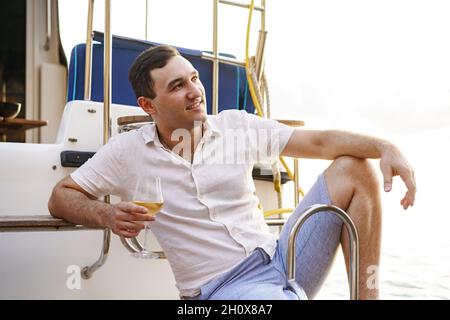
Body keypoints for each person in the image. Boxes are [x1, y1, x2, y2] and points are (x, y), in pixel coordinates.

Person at [48, 45, 416, 300]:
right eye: (178, 86)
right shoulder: (127, 152)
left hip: (282, 256)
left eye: (193, 78)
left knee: (355, 168)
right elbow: (61, 196)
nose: (195, 91)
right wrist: (107, 213)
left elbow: (319, 143)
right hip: (221, 290)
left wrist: (386, 147)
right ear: (148, 105)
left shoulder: (235, 126)